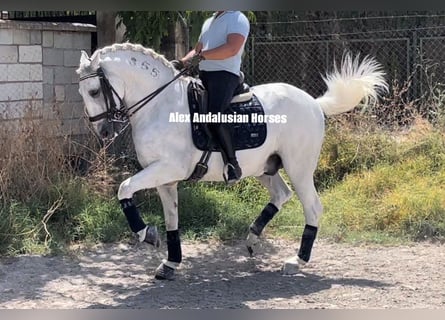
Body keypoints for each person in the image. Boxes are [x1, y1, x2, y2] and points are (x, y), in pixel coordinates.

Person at [175, 11, 250, 184]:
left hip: (225, 75)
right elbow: (198, 48)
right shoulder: (209, 21)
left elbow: (232, 49)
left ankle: (232, 165)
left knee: (214, 116)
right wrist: (182, 62)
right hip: (205, 74)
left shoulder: (237, 18)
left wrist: (203, 56)